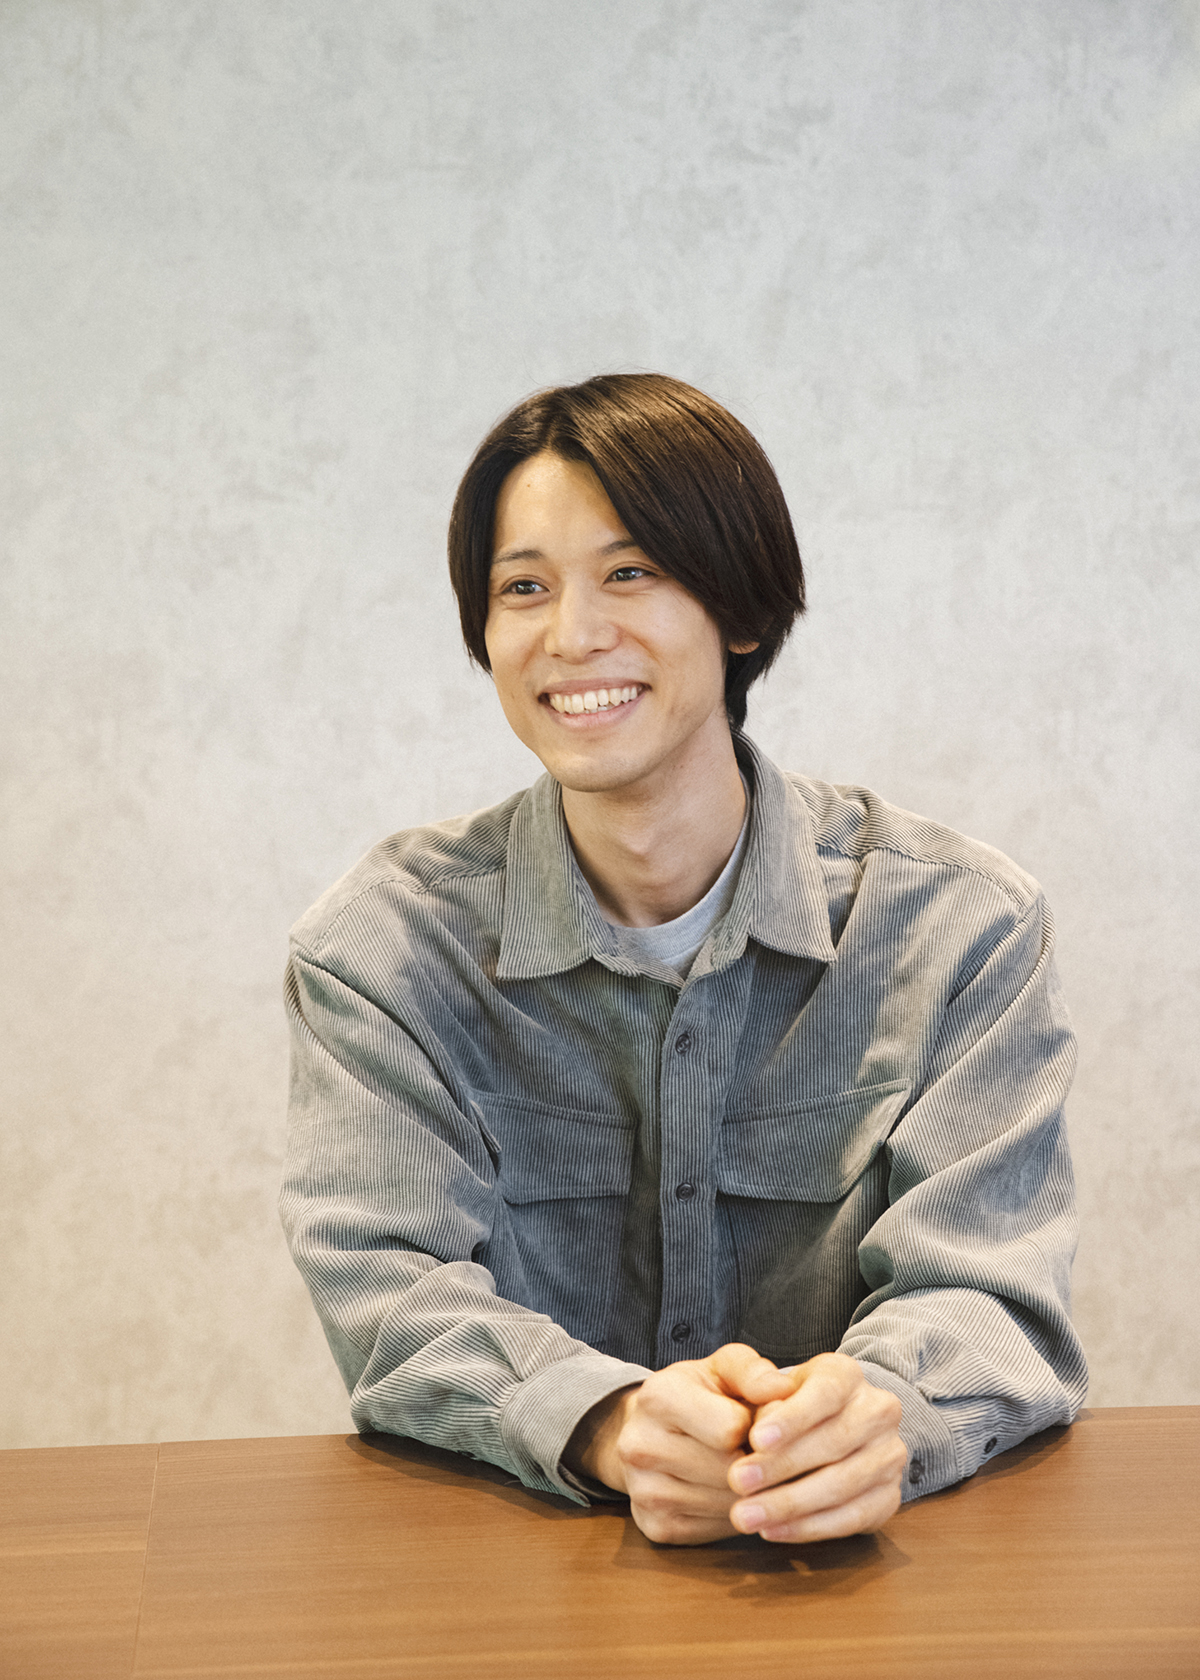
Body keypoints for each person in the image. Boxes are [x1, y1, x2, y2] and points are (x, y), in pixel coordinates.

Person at [281, 373, 1086, 1547]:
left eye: (631, 572)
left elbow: (987, 1283)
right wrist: (611, 1422)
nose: (572, 636)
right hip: (521, 1580)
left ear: (741, 609)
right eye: (523, 587)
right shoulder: (385, 947)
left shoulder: (965, 928)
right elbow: (388, 1287)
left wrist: (870, 1425)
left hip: (861, 1572)